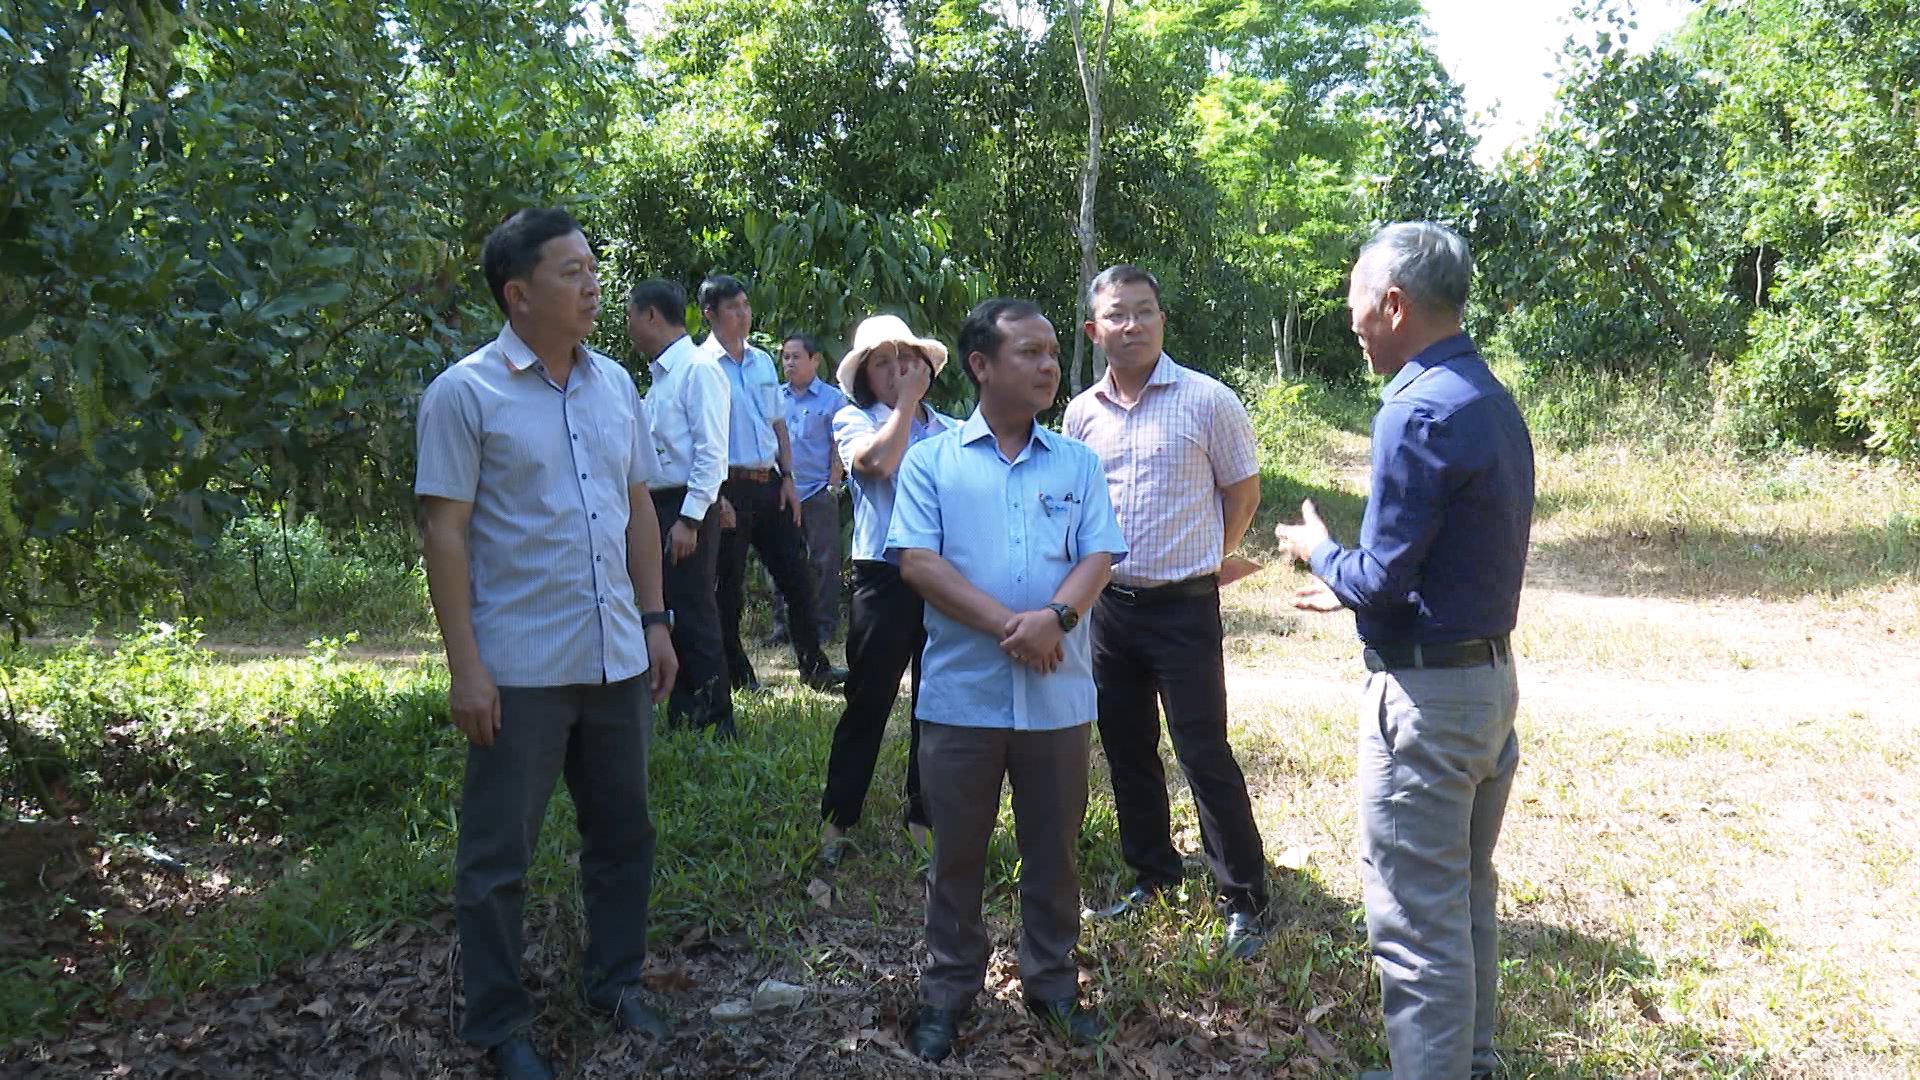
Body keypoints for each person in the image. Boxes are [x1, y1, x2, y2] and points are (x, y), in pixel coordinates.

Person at [415, 208, 678, 1080]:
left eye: (593, 267)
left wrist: (655, 620)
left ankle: (616, 981)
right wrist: (466, 669)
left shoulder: (615, 388)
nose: (592, 284)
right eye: (571, 272)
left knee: (624, 831)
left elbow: (636, 506)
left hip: (614, 654)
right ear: (517, 294)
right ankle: (500, 1024)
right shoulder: (465, 393)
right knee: (497, 855)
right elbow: (445, 534)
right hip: (520, 668)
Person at [1276, 222, 1534, 1080]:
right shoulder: (1486, 396)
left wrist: (1318, 551)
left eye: (1356, 295)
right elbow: (1438, 561)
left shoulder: (1414, 409)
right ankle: (1469, 1062)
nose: (1348, 315)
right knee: (1464, 897)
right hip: (1487, 685)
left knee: (1416, 924)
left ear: (1394, 304)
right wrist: (1347, 582)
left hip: (1426, 705)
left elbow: (1383, 579)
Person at [888, 298, 1129, 1064]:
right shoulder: (933, 459)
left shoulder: (1077, 462)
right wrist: (1010, 626)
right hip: (963, 699)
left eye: (1053, 353)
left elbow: (1099, 555)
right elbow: (917, 562)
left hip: (1057, 698)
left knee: (1054, 848)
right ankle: (948, 993)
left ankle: (1053, 984)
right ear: (980, 365)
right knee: (956, 852)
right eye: (1029, 353)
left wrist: (1053, 619)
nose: (1049, 365)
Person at [1064, 263, 1270, 960]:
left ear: (1162, 320)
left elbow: (1242, 491)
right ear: (1096, 331)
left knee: (1202, 747)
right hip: (1110, 610)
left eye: (1145, 311)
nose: (1133, 325)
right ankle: (1152, 873)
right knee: (1126, 747)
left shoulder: (1208, 400)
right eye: (1118, 315)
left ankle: (1243, 895)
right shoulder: (1080, 412)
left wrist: (1214, 553)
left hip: (1184, 605)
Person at [817, 315, 955, 867]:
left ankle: (924, 815)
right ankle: (837, 819)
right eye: (881, 361)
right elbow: (877, 463)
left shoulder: (948, 428)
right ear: (865, 377)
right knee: (869, 698)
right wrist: (904, 406)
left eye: (905, 357)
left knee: (936, 700)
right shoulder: (854, 419)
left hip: (941, 576)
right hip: (883, 573)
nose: (897, 369)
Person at [697, 274, 844, 692]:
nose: (743, 314)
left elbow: (778, 423)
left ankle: (814, 666)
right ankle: (738, 675)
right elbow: (697, 437)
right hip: (727, 486)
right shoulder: (701, 366)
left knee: (798, 575)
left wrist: (789, 478)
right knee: (728, 587)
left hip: (770, 482)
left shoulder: (761, 361)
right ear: (711, 314)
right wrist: (715, 494)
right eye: (733, 308)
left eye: (745, 305)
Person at [626, 278, 735, 737]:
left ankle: (715, 719)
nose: (629, 327)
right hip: (660, 506)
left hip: (685, 507)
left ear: (652, 315)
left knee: (694, 610)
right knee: (671, 608)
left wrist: (691, 518)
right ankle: (685, 714)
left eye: (631, 315)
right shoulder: (662, 377)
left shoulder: (697, 369)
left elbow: (712, 452)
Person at [765, 332, 848, 648]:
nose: (789, 362)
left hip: (816, 492)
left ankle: (824, 624)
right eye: (785, 356)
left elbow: (838, 445)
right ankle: (780, 626)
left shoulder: (832, 399)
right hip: (782, 492)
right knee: (779, 558)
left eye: (796, 356)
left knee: (824, 561)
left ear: (815, 360)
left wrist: (833, 484)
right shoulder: (776, 397)